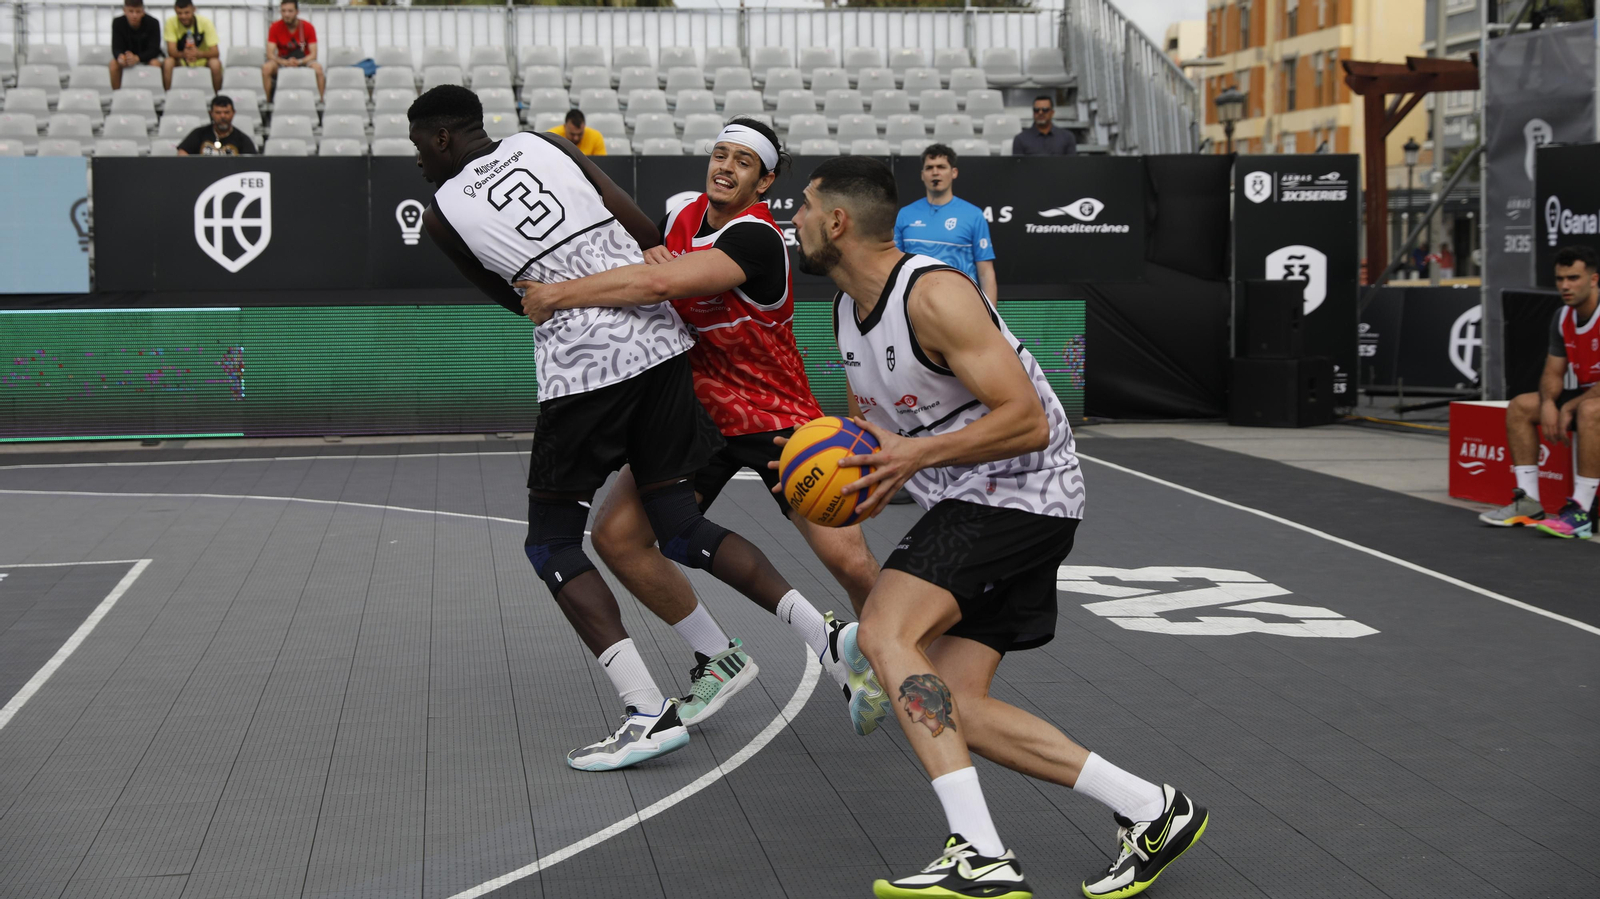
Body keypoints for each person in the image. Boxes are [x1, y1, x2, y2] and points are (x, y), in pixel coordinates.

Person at [791, 156, 1207, 899]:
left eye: (803, 208)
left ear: (838, 222)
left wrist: (915, 454)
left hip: (1020, 491)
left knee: (886, 632)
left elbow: (1028, 419)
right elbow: (878, 432)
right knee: (956, 704)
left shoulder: (934, 294)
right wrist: (861, 476)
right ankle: (1153, 808)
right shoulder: (844, 312)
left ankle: (980, 853)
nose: (794, 221)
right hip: (981, 500)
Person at [407, 86, 856, 773]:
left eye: (417, 146)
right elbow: (642, 227)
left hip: (590, 370)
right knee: (670, 523)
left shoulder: (442, 211)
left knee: (552, 542)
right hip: (664, 351)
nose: (417, 160)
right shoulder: (546, 144)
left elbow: (516, 299)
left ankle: (645, 711)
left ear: (441, 139)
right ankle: (800, 637)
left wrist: (556, 293)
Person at [519, 117, 887, 732]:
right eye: (720, 154)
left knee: (849, 563)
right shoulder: (679, 214)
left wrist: (555, 295)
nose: (725, 167)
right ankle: (718, 655)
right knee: (617, 538)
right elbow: (631, 242)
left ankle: (901, 663)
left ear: (764, 181)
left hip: (775, 417)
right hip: (696, 415)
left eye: (743, 161)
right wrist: (571, 167)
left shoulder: (758, 237)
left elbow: (659, 282)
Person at [1480, 244, 1600, 540]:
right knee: (1521, 406)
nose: (1565, 286)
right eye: (1560, 279)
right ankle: (1529, 503)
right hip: (1589, 396)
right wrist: (1548, 403)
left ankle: (1582, 512)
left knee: (1588, 409)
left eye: (1573, 278)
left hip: (1591, 403)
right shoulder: (1562, 317)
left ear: (1594, 279)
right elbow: (1553, 372)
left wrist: (1569, 406)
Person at [894, 144, 998, 301]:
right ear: (922, 175)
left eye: (941, 167)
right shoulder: (905, 214)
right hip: (915, 304)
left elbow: (986, 273)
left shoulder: (974, 215)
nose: (935, 172)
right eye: (929, 168)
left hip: (962, 304)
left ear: (954, 172)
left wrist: (990, 313)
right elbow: (895, 267)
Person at [263, 0, 323, 99]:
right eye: (283, 11)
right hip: (283, 60)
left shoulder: (307, 27)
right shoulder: (275, 27)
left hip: (303, 60)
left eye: (290, 11)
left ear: (297, 12)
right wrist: (284, 62)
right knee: (266, 68)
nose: (286, 14)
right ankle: (268, 102)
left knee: (318, 69)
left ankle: (321, 101)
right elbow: (270, 54)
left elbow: (313, 54)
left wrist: (299, 62)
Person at [161, 0, 221, 91]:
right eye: (179, 13)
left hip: (202, 61)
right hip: (181, 61)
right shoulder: (170, 22)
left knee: (215, 63)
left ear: (194, 10)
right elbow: (171, 51)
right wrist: (184, 54)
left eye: (187, 13)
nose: (183, 16)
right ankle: (168, 95)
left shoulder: (205, 22)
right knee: (168, 62)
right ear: (175, 11)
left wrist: (199, 54)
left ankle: (217, 96)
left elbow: (215, 52)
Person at [109, 0, 164, 91]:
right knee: (113, 64)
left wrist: (137, 58)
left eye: (138, 12)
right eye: (131, 11)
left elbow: (154, 49)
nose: (134, 15)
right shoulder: (117, 22)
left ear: (143, 11)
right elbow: (116, 47)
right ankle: (116, 94)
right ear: (125, 11)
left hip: (147, 57)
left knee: (155, 63)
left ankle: (154, 94)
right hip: (127, 58)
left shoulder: (153, 22)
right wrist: (121, 57)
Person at [176, 95, 256, 156]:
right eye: (218, 112)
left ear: (233, 113)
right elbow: (182, 153)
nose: (223, 116)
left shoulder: (242, 139)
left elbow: (251, 162)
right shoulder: (199, 134)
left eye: (226, 112)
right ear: (211, 113)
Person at [1012, 95, 1076, 156]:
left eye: (1045, 110)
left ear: (1052, 113)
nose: (1040, 113)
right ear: (1033, 112)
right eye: (1036, 110)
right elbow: (1018, 163)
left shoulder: (1067, 137)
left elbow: (1071, 163)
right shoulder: (1021, 139)